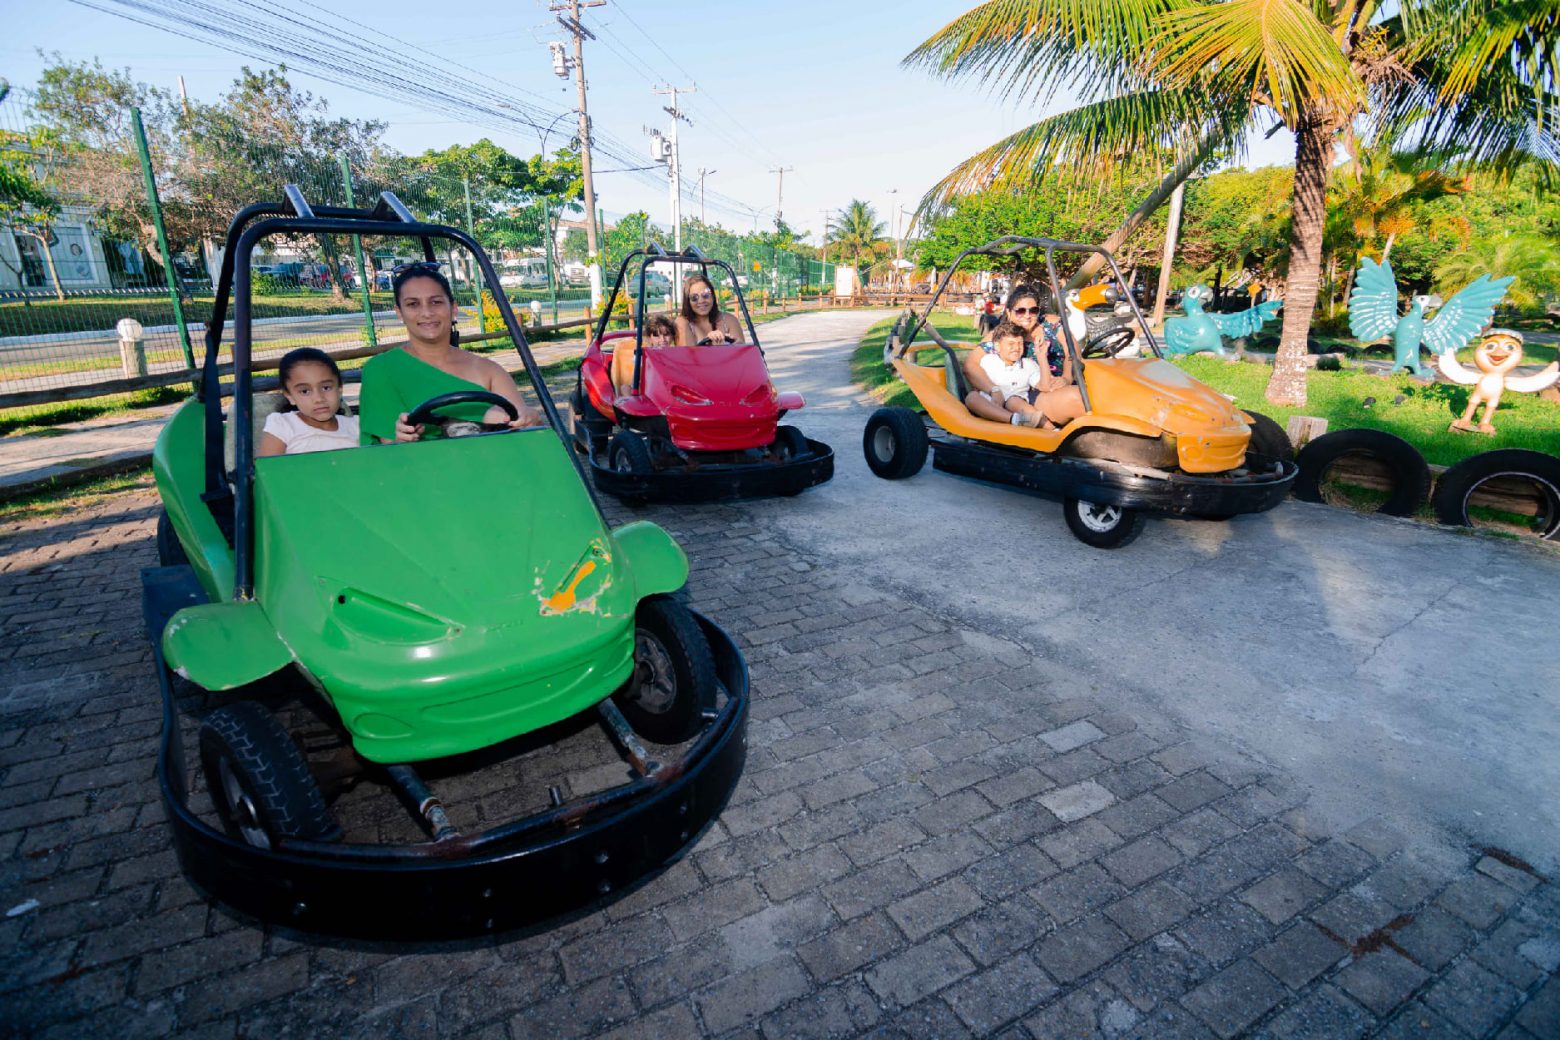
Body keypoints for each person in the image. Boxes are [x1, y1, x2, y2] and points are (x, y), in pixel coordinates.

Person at [358, 262, 543, 444]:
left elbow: (522, 432)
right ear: (399, 312)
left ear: (453, 308)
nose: (427, 312)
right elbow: (387, 451)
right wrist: (401, 437)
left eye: (436, 302)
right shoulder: (381, 370)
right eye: (413, 304)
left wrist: (531, 419)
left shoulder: (489, 370)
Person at [257, 348, 359, 456]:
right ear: (290, 396)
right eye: (305, 391)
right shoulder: (283, 426)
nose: (319, 398)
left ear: (339, 388)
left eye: (326, 388)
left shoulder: (355, 426)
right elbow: (268, 470)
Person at [964, 321, 1047, 427]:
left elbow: (1044, 386)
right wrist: (993, 391)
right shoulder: (988, 360)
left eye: (1020, 343)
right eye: (1011, 344)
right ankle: (1015, 419)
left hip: (1015, 406)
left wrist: (1042, 358)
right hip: (989, 406)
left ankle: (1052, 430)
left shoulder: (1028, 365)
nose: (1017, 348)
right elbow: (976, 383)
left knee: (1015, 402)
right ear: (997, 347)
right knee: (972, 397)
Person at [612, 314, 677, 394]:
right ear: (650, 338)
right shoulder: (644, 354)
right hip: (649, 389)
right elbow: (635, 380)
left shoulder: (676, 354)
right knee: (625, 388)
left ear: (672, 336)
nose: (662, 339)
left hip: (668, 390)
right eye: (657, 336)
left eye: (666, 335)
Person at [674, 275, 743, 346]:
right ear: (688, 301)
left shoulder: (729, 320)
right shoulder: (682, 323)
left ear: (713, 297)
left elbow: (742, 352)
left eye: (706, 295)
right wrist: (710, 344)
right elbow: (686, 355)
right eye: (694, 298)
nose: (701, 301)